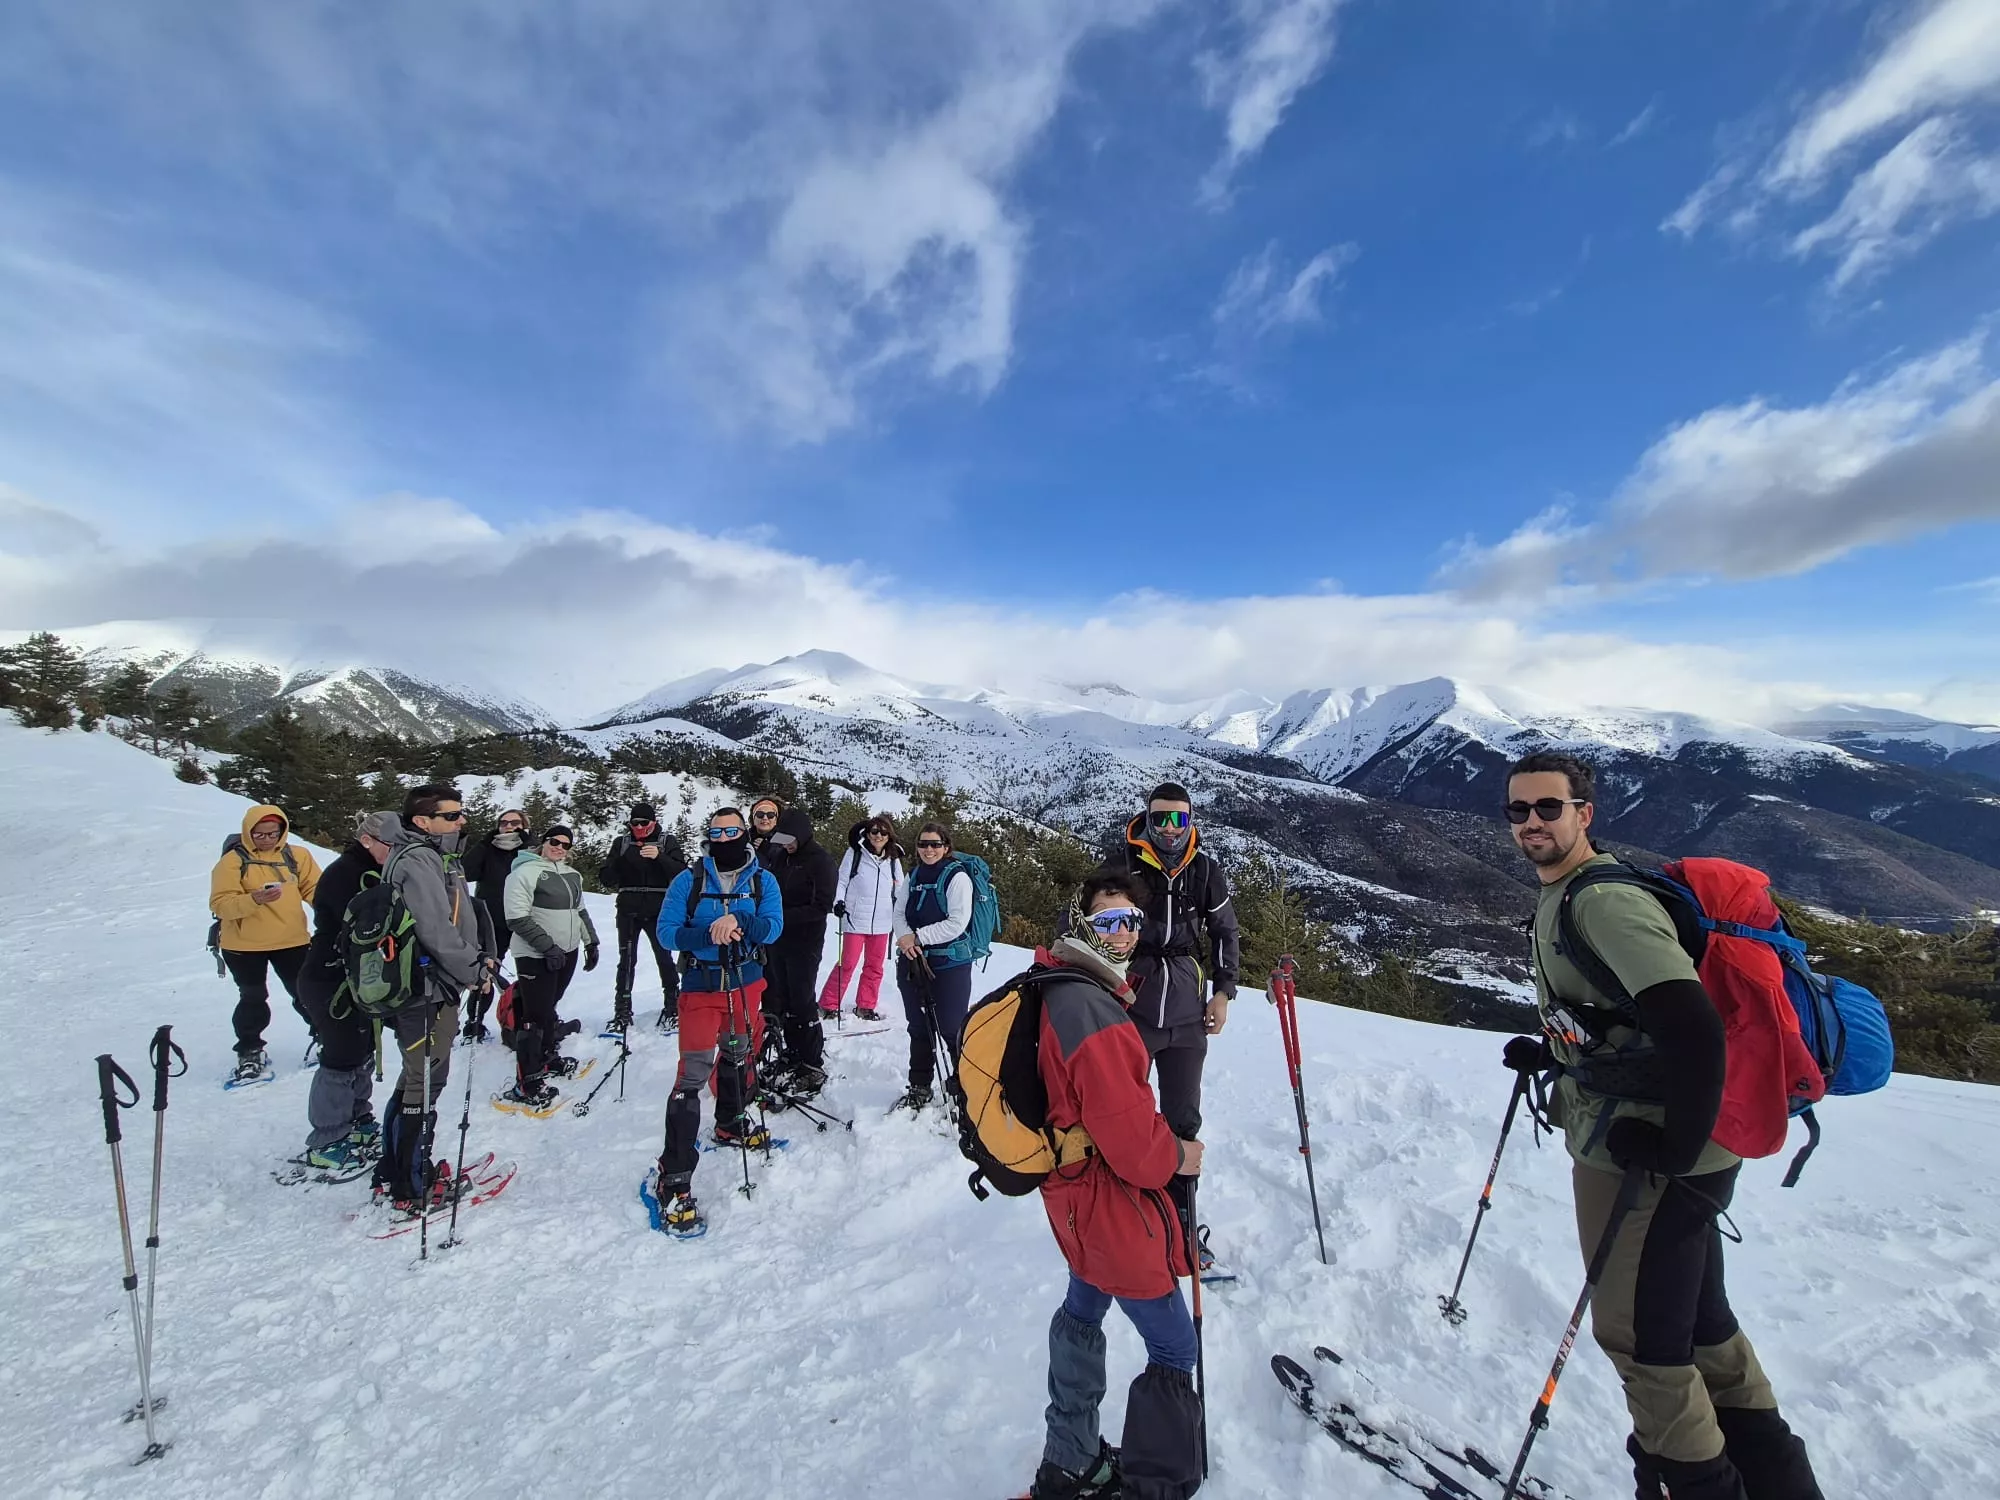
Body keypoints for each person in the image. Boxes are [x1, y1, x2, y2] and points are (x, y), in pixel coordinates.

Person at [1501, 751, 1823, 1500]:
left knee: (1642, 1340)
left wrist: (1673, 1146)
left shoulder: (1603, 902)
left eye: (1548, 807)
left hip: (1649, 1156)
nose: (1531, 823)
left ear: (1585, 813)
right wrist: (1558, 1054)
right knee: (1700, 1325)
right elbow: (1628, 1019)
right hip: (1683, 1145)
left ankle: (1694, 1484)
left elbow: (1694, 1025)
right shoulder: (1576, 892)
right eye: (1518, 810)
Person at [1027, 870, 1205, 1500]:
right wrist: (1178, 1154)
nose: (1124, 932)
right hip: (1108, 1198)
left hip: (1073, 1192)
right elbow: (1132, 1147)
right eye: (1108, 920)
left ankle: (1067, 1463)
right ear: (1082, 922)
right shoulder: (1091, 1008)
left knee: (1083, 1309)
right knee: (1174, 1345)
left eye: (1131, 920)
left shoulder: (1062, 983)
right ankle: (1156, 1486)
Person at [647, 808, 785, 1236]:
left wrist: (739, 920)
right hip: (701, 986)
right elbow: (667, 932)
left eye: (732, 831)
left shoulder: (762, 880)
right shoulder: (688, 880)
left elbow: (773, 928)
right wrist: (709, 933)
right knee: (691, 1074)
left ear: (744, 833)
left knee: (738, 1054)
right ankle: (674, 1175)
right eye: (717, 832)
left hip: (745, 984)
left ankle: (729, 1122)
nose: (725, 838)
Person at [373, 784, 499, 1213]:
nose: (461, 820)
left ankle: (395, 1169)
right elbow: (435, 929)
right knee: (426, 1079)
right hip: (425, 987)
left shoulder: (438, 856)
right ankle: (410, 1185)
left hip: (434, 982)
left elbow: (459, 916)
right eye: (451, 816)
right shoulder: (419, 860)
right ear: (422, 822)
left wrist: (478, 956)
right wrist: (473, 970)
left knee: (417, 1076)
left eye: (460, 813)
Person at [291, 811, 399, 1170]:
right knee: (340, 1056)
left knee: (362, 1049)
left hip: (359, 977)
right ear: (367, 841)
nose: (396, 852)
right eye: (391, 845)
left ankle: (357, 1119)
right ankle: (327, 1138)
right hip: (330, 976)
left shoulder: (375, 870)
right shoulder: (345, 874)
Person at [209, 803, 323, 1085]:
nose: (267, 839)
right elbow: (220, 904)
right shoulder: (232, 862)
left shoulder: (297, 856)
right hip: (243, 946)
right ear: (248, 831)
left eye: (273, 833)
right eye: (260, 834)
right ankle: (249, 1051)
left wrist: (335, 912)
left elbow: (315, 890)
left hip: (292, 940)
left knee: (306, 993)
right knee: (253, 997)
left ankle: (325, 1039)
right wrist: (254, 900)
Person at [497, 824, 600, 1110]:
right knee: (533, 1015)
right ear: (544, 842)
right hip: (535, 954)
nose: (559, 848)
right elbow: (516, 917)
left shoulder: (571, 874)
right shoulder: (523, 872)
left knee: (548, 1008)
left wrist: (591, 942)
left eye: (566, 845)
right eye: (555, 841)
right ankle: (527, 1083)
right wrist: (547, 947)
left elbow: (580, 911)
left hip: (566, 952)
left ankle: (545, 1059)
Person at [891, 822, 976, 1112]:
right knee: (919, 1026)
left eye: (935, 844)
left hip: (949, 962)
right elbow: (899, 912)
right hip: (913, 959)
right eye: (923, 844)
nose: (929, 849)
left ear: (946, 847)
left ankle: (965, 1085)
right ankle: (920, 1084)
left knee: (951, 1027)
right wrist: (906, 940)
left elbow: (957, 922)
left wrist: (917, 937)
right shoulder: (913, 875)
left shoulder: (957, 877)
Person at [760, 807, 837, 1094]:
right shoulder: (780, 856)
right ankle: (792, 1052)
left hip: (806, 940)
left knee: (802, 1000)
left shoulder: (820, 861)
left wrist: (782, 916)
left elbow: (822, 906)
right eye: (782, 839)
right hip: (778, 939)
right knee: (783, 997)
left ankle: (812, 1061)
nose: (786, 844)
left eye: (790, 839)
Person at [601, 802, 685, 1034]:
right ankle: (622, 1009)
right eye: (634, 823)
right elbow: (606, 878)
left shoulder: (667, 842)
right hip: (628, 909)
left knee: (664, 957)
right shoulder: (622, 843)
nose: (638, 828)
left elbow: (682, 872)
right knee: (627, 960)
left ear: (653, 822)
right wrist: (622, 860)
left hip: (659, 908)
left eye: (643, 823)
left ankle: (672, 1005)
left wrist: (660, 857)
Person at [820, 815, 904, 1021]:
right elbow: (842, 881)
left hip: (882, 921)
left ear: (889, 836)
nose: (878, 836)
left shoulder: (893, 859)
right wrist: (839, 902)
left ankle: (866, 1005)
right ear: (867, 834)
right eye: (874, 831)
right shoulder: (855, 853)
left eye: (883, 832)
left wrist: (902, 912)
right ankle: (828, 1004)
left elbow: (900, 889)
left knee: (874, 966)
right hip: (855, 918)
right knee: (847, 963)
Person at [459, 807, 528, 1041]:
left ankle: (528, 1018)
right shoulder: (488, 849)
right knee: (487, 971)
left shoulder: (530, 851)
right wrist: (484, 843)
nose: (508, 826)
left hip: (523, 919)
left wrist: (528, 844)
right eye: (503, 823)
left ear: (524, 826)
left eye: (514, 823)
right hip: (491, 920)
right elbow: (466, 872)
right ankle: (474, 1022)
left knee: (531, 971)